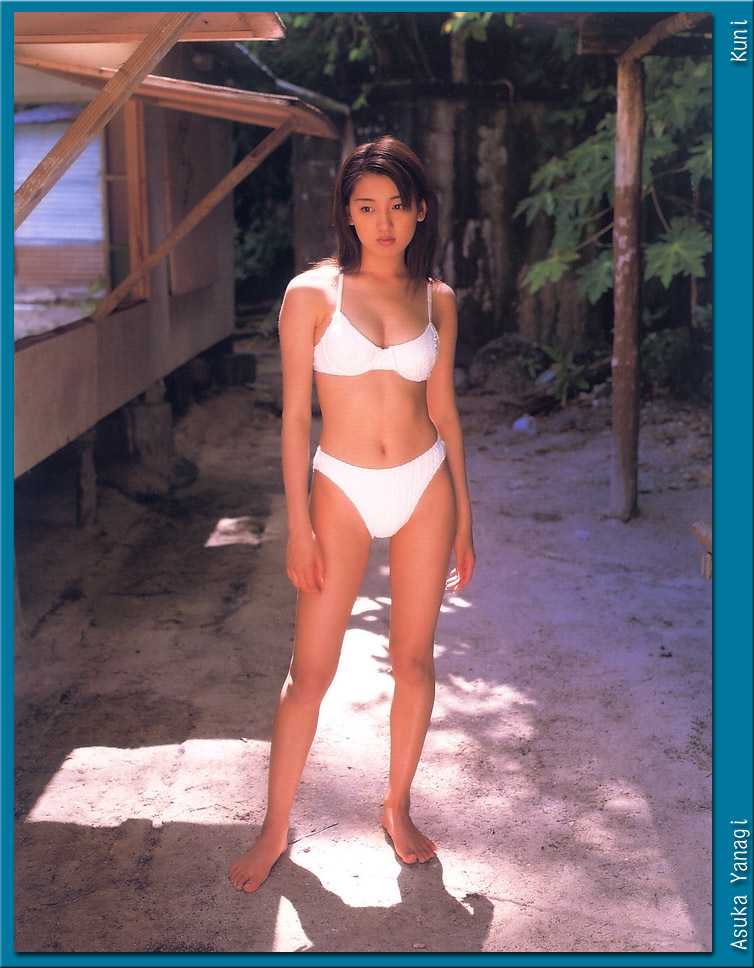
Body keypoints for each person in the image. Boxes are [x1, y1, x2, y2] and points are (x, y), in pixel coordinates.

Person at [229, 136, 475, 893]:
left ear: (420, 210)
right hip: (339, 486)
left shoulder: (437, 298)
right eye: (366, 207)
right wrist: (298, 526)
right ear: (346, 213)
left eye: (397, 205)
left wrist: (466, 518)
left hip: (425, 484)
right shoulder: (311, 294)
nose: (383, 221)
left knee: (414, 661)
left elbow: (444, 410)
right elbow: (293, 419)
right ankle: (275, 826)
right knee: (309, 672)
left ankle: (396, 806)